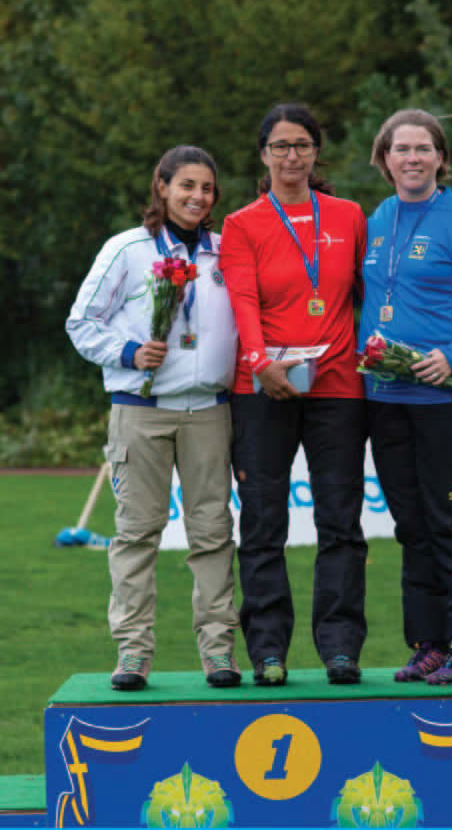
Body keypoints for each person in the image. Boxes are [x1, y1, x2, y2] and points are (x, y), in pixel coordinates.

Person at [66, 145, 241, 691]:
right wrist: (128, 353)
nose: (197, 196)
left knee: (213, 534)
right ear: (161, 187)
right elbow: (81, 322)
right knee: (137, 534)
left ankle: (218, 651)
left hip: (209, 412)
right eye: (186, 185)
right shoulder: (127, 249)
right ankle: (133, 652)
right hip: (141, 411)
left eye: (207, 188)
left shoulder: (226, 251)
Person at [359, 109, 452, 685]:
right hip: (388, 402)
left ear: (441, 158)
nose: (412, 158)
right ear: (385, 159)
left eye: (423, 148)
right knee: (413, 526)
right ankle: (428, 642)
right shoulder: (378, 220)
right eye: (401, 149)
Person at [219, 103, 367, 686]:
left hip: (338, 386)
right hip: (263, 388)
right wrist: (261, 365)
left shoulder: (349, 215)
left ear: (316, 152)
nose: (291, 156)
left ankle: (340, 648)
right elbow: (243, 300)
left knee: (341, 521)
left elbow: (367, 290)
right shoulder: (242, 224)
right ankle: (268, 651)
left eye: (302, 144)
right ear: (263, 154)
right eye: (280, 146)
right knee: (262, 522)